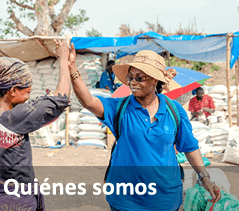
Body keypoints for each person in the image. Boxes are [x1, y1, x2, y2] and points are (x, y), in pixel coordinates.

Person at [67, 49, 221, 211]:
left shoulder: (173, 110)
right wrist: (72, 68)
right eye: (130, 77)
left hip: (165, 200)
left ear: (155, 80)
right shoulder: (120, 107)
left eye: (139, 78)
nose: (133, 83)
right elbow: (89, 102)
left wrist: (204, 178)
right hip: (125, 201)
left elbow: (190, 147)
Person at [0, 40, 71, 211]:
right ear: (12, 91)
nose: (29, 97)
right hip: (18, 200)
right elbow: (62, 97)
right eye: (27, 92)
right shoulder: (14, 117)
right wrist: (64, 59)